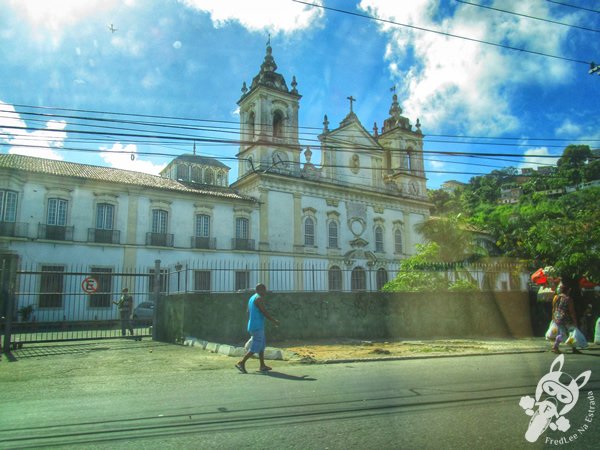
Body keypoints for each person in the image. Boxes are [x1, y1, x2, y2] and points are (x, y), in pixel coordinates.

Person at [236, 283, 279, 374]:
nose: (265, 292)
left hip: (254, 324)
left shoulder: (252, 298)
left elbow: (248, 311)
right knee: (256, 346)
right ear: (260, 290)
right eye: (264, 290)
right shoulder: (259, 299)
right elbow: (264, 312)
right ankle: (241, 362)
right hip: (257, 326)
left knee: (261, 346)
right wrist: (274, 320)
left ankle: (262, 365)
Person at [550, 284, 578, 354]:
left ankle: (556, 347)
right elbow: (571, 311)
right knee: (571, 332)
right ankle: (572, 347)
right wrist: (575, 321)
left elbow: (553, 308)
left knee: (560, 332)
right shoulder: (568, 299)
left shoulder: (556, 297)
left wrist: (553, 317)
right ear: (568, 290)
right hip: (566, 318)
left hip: (557, 316)